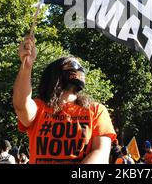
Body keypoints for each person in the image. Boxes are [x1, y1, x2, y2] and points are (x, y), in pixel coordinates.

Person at [13, 35, 117, 164]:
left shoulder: (95, 110)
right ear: (54, 74)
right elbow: (21, 106)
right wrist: (26, 65)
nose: (78, 69)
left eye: (80, 67)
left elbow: (101, 153)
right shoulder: (39, 107)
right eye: (71, 65)